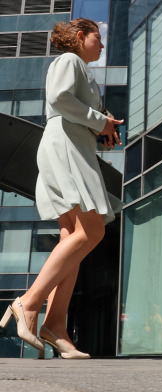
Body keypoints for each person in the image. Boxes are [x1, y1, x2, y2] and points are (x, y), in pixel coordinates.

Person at [0, 18, 123, 359]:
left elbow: (74, 109)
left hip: (71, 146)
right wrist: (102, 122)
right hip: (65, 148)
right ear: (81, 36)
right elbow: (59, 98)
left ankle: (55, 325)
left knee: (74, 237)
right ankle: (29, 303)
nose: (102, 45)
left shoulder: (80, 68)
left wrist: (103, 127)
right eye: (98, 38)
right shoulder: (70, 61)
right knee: (92, 230)